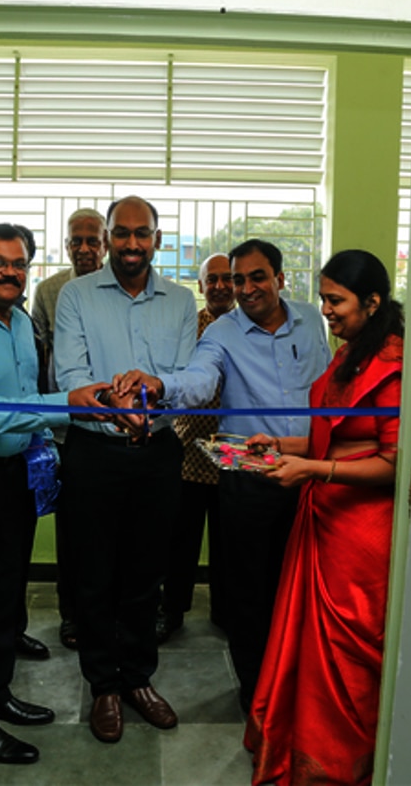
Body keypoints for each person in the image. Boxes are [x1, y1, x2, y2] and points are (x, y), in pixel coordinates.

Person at [114, 239, 331, 712]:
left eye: (257, 277)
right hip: (251, 480)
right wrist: (160, 385)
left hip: (313, 475)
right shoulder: (221, 334)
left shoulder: (313, 320)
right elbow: (198, 381)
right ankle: (258, 696)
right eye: (238, 279)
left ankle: (303, 688)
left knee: (306, 592)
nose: (246, 288)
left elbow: (328, 384)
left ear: (280, 279)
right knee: (249, 599)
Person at [0, 223, 108, 765]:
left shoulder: (17, 322)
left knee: (4, 597)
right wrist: (68, 404)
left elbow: (23, 397)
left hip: (13, 473)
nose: (10, 272)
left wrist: (43, 445)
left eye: (19, 264)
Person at [243, 249, 404, 786]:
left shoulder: (394, 364)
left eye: (336, 301)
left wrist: (313, 468)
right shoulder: (351, 353)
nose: (326, 311)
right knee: (309, 654)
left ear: (373, 301)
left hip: (362, 538)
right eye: (324, 299)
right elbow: (330, 433)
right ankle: (300, 746)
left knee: (349, 659)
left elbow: (392, 462)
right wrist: (280, 444)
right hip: (323, 525)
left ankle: (338, 768)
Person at [53, 195, 197, 744]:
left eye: (143, 234)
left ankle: (138, 679)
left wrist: (147, 412)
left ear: (157, 239)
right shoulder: (75, 296)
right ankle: (104, 688)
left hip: (157, 454)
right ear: (108, 237)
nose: (131, 244)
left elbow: (182, 377)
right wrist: (118, 415)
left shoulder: (181, 301)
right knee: (93, 576)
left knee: (144, 575)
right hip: (93, 453)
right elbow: (70, 371)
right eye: (122, 234)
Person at [30, 208, 108, 651]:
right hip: (66, 427)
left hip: (114, 428)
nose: (83, 249)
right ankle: (71, 614)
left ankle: (110, 612)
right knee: (73, 531)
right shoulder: (49, 290)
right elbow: (42, 359)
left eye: (91, 240)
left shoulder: (117, 289)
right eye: (75, 241)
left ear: (105, 244)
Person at [157, 252, 235, 643]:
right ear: (201, 286)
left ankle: (225, 612)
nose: (220, 286)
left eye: (227, 278)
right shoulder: (190, 327)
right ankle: (171, 611)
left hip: (233, 453)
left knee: (228, 543)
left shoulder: (246, 326)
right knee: (179, 541)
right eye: (212, 279)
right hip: (188, 449)